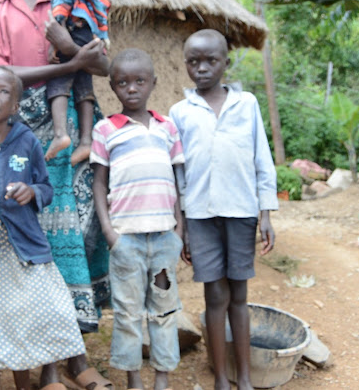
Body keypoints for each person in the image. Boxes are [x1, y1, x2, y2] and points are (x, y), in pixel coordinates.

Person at [0, 0, 114, 390]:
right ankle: (32, 357)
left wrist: (77, 62)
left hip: (66, 127)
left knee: (70, 239)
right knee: (27, 243)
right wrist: (72, 62)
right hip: (15, 132)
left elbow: (103, 59)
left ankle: (73, 358)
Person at [0, 67, 86, 390]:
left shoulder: (25, 141)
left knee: (22, 323)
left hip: (23, 253)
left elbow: (46, 187)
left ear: (15, 106)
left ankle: (24, 384)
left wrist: (32, 192)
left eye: (2, 91)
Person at [169, 29, 278, 390]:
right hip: (200, 215)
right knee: (214, 295)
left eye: (210, 61)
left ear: (225, 63)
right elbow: (178, 173)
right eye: (193, 62)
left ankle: (243, 377)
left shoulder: (245, 104)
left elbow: (262, 158)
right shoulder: (180, 111)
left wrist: (266, 213)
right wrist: (180, 225)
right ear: (185, 64)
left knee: (240, 295)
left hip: (242, 211)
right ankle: (219, 377)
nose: (201, 68)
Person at [90, 49, 184, 390]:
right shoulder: (106, 130)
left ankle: (162, 378)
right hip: (126, 239)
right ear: (113, 87)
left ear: (153, 83)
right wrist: (109, 231)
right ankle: (134, 380)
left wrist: (179, 229)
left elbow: (178, 181)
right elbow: (99, 183)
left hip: (163, 239)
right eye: (123, 83)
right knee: (128, 313)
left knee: (164, 309)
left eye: (139, 81)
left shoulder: (167, 128)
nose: (132, 88)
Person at [37, 0, 111, 165]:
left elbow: (61, 3)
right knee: (84, 88)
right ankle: (86, 141)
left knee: (59, 82)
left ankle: (61, 133)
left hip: (74, 31)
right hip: (90, 35)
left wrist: (56, 40)